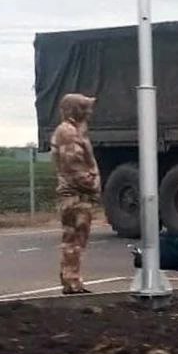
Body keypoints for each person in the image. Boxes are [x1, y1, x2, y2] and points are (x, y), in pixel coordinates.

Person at [51, 93, 101, 295]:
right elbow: (74, 167)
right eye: (85, 108)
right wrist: (93, 184)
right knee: (74, 240)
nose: (89, 112)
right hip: (76, 196)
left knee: (74, 240)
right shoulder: (69, 133)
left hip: (75, 195)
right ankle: (72, 282)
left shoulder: (71, 131)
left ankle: (71, 281)